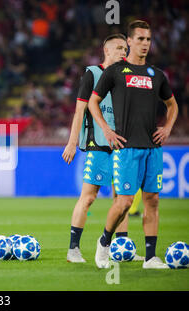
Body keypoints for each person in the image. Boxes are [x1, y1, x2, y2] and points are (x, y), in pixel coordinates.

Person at [88, 20, 179, 269]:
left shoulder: (156, 75)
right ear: (129, 42)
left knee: (152, 200)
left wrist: (168, 128)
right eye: (140, 39)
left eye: (148, 40)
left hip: (153, 148)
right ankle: (104, 243)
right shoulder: (115, 72)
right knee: (124, 202)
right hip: (126, 148)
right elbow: (92, 102)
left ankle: (150, 258)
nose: (145, 44)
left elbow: (172, 105)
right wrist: (106, 130)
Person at [62, 34, 144, 263]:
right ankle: (73, 250)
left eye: (125, 49)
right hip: (98, 145)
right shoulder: (93, 73)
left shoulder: (127, 77)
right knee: (88, 197)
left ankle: (122, 249)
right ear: (106, 51)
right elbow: (80, 111)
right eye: (118, 48)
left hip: (122, 145)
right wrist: (71, 142)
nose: (123, 52)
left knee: (122, 196)